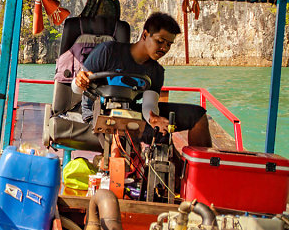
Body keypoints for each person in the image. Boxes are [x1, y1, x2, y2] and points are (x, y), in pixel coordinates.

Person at [73, 12, 212, 147]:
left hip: (129, 110)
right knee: (118, 134)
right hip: (97, 111)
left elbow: (148, 105)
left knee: (190, 118)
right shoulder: (108, 51)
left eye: (169, 44)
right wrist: (79, 81)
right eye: (160, 41)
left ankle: (191, 167)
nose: (164, 48)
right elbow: (77, 88)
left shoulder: (156, 71)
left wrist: (153, 118)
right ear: (145, 35)